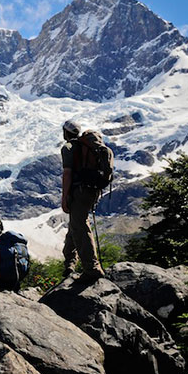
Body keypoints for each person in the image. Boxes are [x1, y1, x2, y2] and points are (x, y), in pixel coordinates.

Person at [60, 120, 105, 281]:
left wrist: (64, 197)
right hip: (93, 191)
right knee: (75, 224)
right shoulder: (85, 146)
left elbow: (67, 174)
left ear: (66, 132)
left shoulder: (68, 148)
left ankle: (92, 268)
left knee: (80, 226)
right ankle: (70, 264)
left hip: (79, 191)